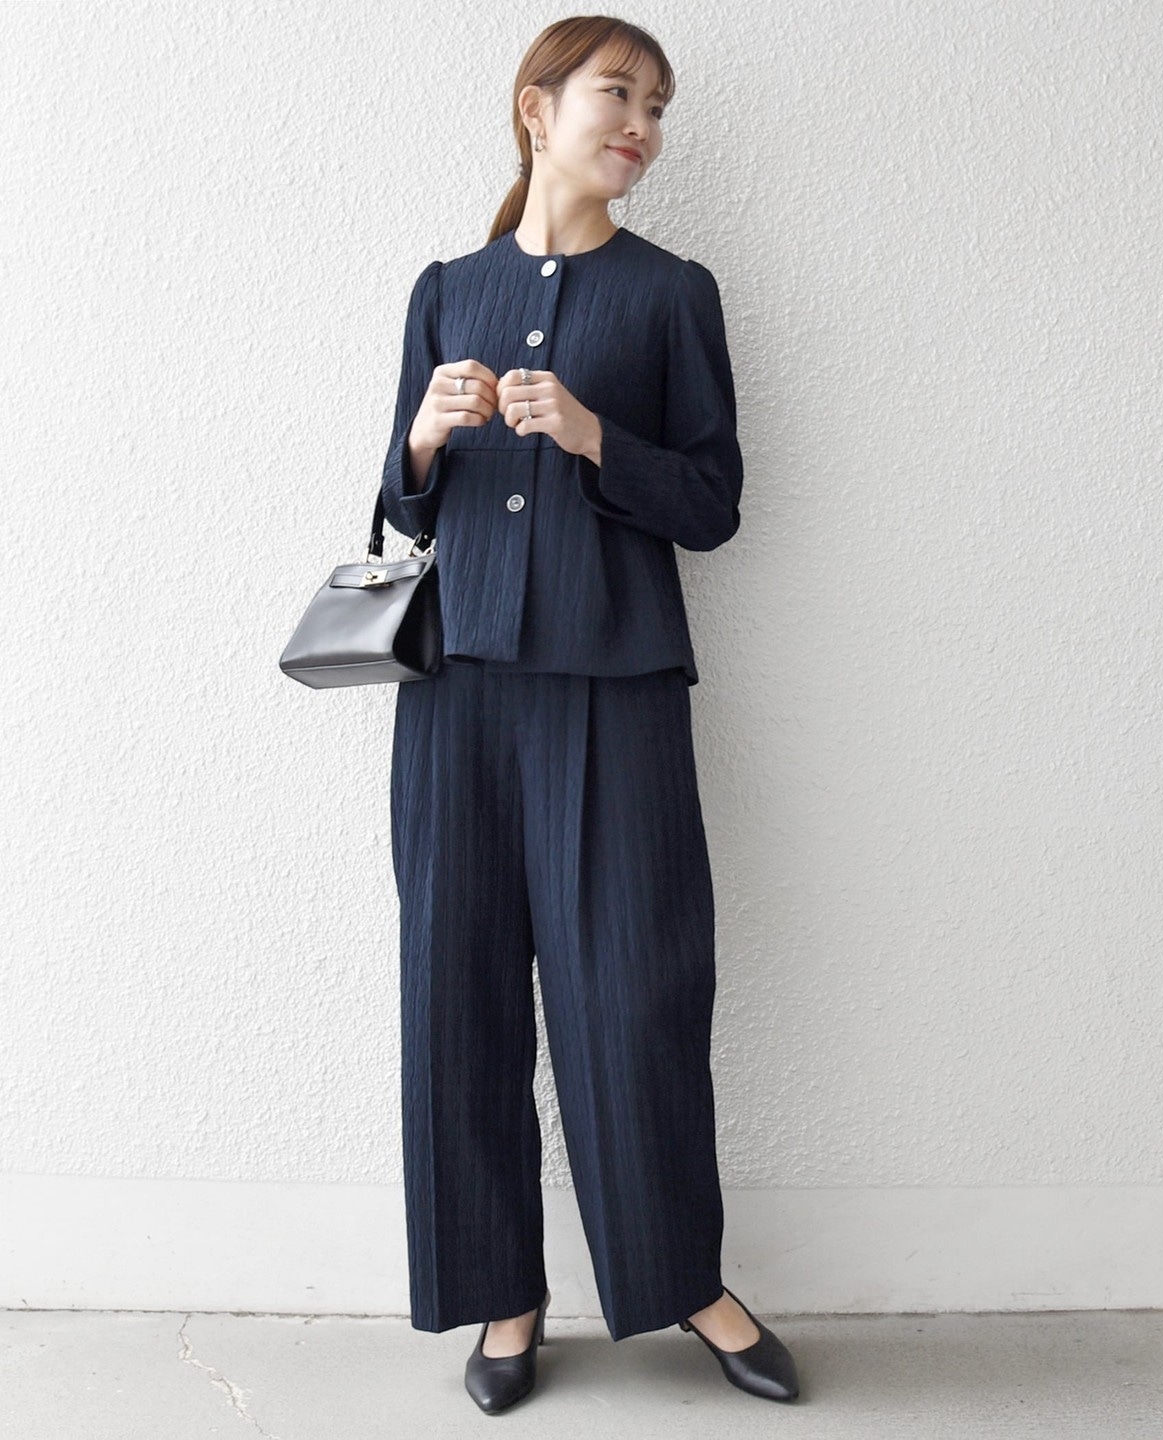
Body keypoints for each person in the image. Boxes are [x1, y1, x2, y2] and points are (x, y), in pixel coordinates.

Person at [380, 15, 801, 1413]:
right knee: (458, 996)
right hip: (456, 700)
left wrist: (594, 436)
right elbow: (399, 507)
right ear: (537, 109)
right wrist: (425, 437)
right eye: (619, 94)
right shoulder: (446, 289)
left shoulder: (673, 295)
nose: (642, 126)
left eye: (657, 106)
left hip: (614, 692)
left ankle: (686, 1280)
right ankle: (502, 1295)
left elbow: (714, 503)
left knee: (636, 992)